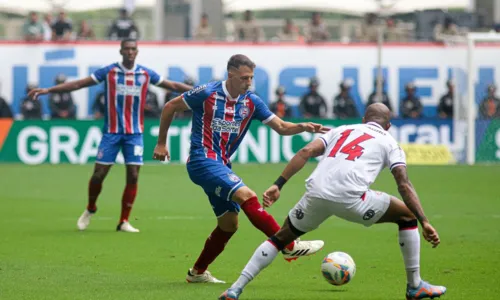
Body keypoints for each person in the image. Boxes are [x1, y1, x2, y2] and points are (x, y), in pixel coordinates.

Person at [220, 103, 447, 300]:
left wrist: (278, 184)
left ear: (363, 120)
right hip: (353, 200)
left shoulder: (342, 130)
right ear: (388, 126)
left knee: (280, 239)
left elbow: (306, 151)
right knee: (407, 216)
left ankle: (235, 289)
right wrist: (424, 220)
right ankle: (415, 286)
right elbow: (403, 184)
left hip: (315, 195)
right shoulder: (389, 142)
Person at [152, 54, 326, 283]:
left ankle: (197, 272)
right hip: (202, 160)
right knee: (247, 195)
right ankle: (289, 244)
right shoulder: (208, 93)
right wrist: (162, 143)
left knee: (229, 224)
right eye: (244, 78)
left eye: (251, 78)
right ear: (230, 74)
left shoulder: (251, 102)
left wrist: (302, 127)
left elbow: (282, 126)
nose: (249, 82)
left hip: (221, 163)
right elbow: (170, 106)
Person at [28, 39, 192, 233]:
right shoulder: (109, 72)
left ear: (137, 52)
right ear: (121, 51)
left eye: (133, 49)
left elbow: (171, 84)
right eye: (127, 49)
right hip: (111, 133)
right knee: (99, 175)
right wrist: (48, 90)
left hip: (135, 134)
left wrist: (203, 91)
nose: (130, 52)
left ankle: (123, 221)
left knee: (133, 175)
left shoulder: (145, 74)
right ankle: (90, 208)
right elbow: (80, 84)